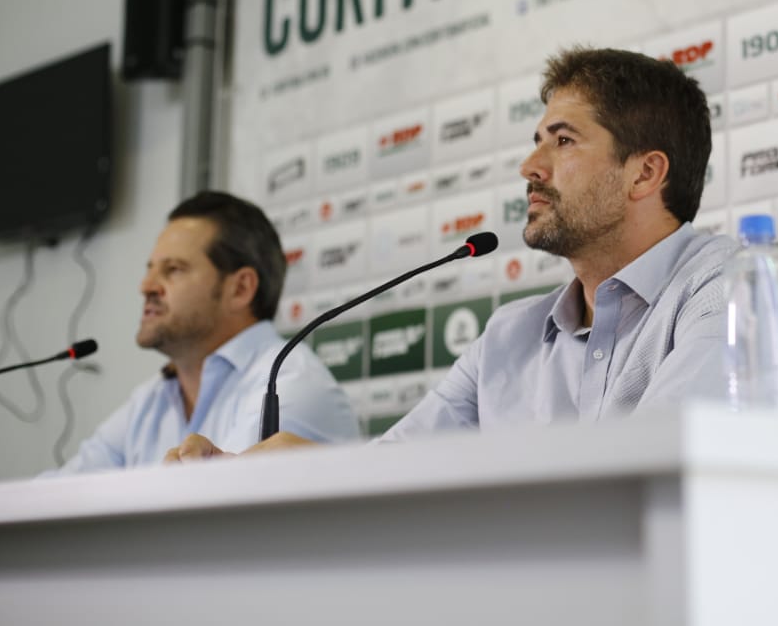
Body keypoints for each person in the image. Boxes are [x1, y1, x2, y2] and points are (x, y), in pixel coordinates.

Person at [167, 47, 735, 462]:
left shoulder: (729, 285)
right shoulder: (508, 337)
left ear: (645, 173)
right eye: (537, 141)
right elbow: (393, 475)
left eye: (563, 141)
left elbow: (661, 469)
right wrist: (261, 471)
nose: (530, 168)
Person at [48, 191, 359, 473]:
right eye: (150, 269)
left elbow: (221, 519)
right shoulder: (150, 400)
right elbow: (61, 495)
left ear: (240, 289)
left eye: (173, 269)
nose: (146, 286)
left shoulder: (289, 386)